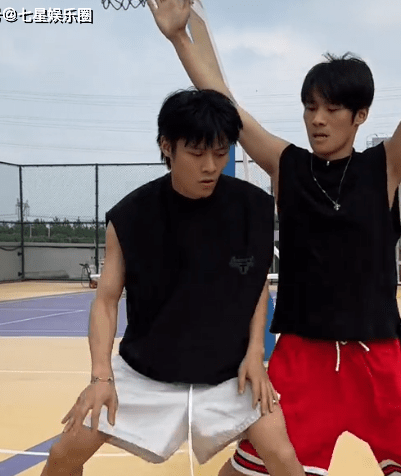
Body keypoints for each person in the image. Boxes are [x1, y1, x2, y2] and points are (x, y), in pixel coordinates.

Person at [148, 0, 401, 475]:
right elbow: (225, 102)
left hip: (377, 361)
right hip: (303, 360)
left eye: (331, 109)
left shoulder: (384, 168)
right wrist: (178, 37)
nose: (317, 119)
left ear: (360, 115)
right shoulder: (287, 166)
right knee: (243, 472)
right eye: (309, 108)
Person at [40, 88, 306, 476]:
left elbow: (257, 286)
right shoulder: (131, 216)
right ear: (167, 146)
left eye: (221, 153)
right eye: (197, 154)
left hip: (229, 376)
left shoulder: (254, 208)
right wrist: (100, 376)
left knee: (282, 456)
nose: (210, 166)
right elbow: (106, 301)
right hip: (144, 373)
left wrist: (254, 354)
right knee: (64, 454)